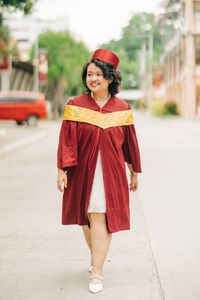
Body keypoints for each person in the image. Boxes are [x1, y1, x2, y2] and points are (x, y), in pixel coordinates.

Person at [57, 48, 142, 294]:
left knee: (100, 216)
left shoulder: (122, 108)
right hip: (83, 171)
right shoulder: (76, 105)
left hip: (111, 173)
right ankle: (97, 257)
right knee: (87, 217)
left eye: (98, 74)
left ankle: (97, 272)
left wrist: (133, 170)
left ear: (110, 77)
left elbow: (129, 143)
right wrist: (62, 170)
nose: (92, 79)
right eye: (89, 74)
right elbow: (66, 141)